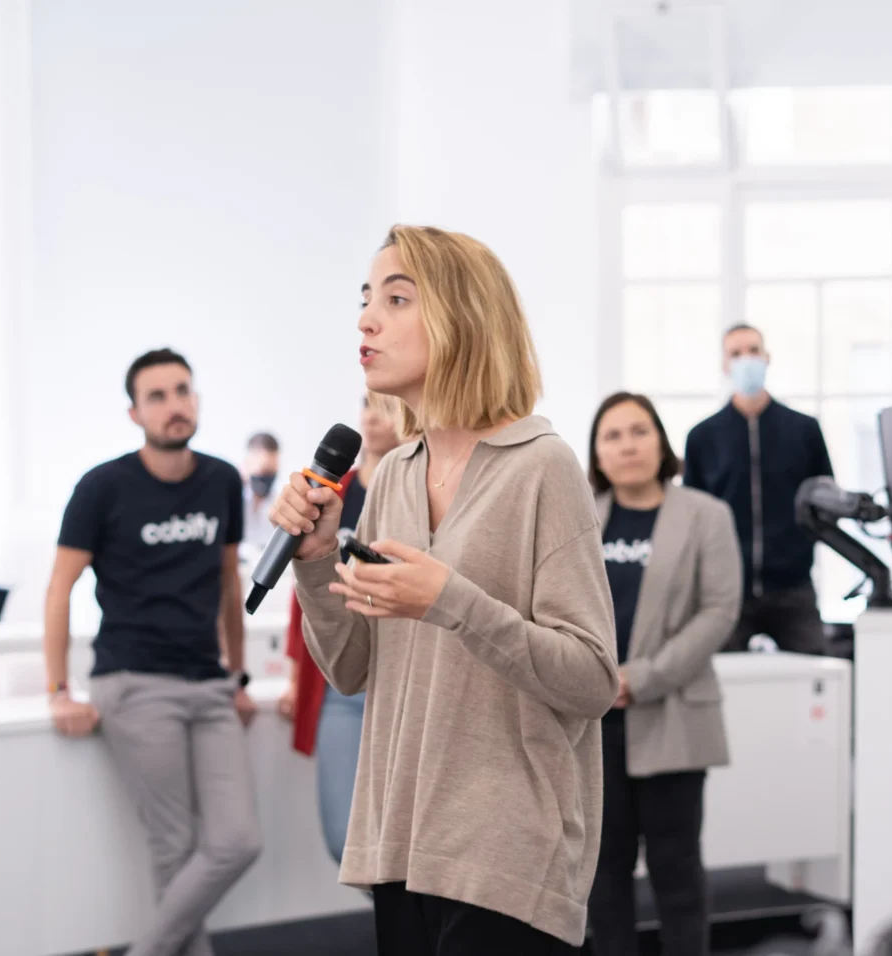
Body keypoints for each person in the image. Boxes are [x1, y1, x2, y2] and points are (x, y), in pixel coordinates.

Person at [269, 225, 618, 956]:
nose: (367, 320)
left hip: (505, 850)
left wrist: (450, 601)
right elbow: (352, 668)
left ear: (464, 316)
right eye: (366, 298)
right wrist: (316, 558)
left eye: (397, 299)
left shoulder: (542, 467)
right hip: (401, 840)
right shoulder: (394, 475)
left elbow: (591, 679)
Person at [43, 348, 262, 956]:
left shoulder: (222, 480)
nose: (174, 405)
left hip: (209, 684)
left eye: (183, 391)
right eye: (157, 397)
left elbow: (229, 584)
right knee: (174, 848)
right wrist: (58, 690)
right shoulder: (102, 487)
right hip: (135, 682)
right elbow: (59, 589)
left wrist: (238, 677)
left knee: (238, 841)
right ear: (135, 413)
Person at [585, 392, 742, 956]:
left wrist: (640, 678)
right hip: (593, 722)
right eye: (613, 435)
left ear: (661, 442)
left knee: (676, 871)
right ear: (597, 454)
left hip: (673, 712)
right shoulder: (580, 517)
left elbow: (719, 611)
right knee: (603, 875)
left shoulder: (706, 515)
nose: (627, 445)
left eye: (639, 431)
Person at [277, 395, 401, 866]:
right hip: (344, 674)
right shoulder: (335, 491)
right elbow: (305, 594)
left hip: (402, 669)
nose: (372, 416)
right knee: (344, 837)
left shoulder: (420, 489)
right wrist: (295, 677)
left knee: (404, 838)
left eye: (386, 407)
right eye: (368, 405)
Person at [684, 323, 834, 655]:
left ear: (767, 357)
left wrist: (799, 548)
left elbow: (825, 501)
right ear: (725, 365)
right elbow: (692, 517)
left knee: (821, 672)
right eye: (736, 353)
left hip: (793, 587)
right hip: (727, 592)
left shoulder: (804, 430)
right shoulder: (702, 437)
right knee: (719, 677)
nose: (746, 359)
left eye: (753, 350)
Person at [240, 431, 280, 562]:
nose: (266, 477)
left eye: (271, 471)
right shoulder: (233, 500)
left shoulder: (280, 502)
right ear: (246, 464)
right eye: (262, 470)